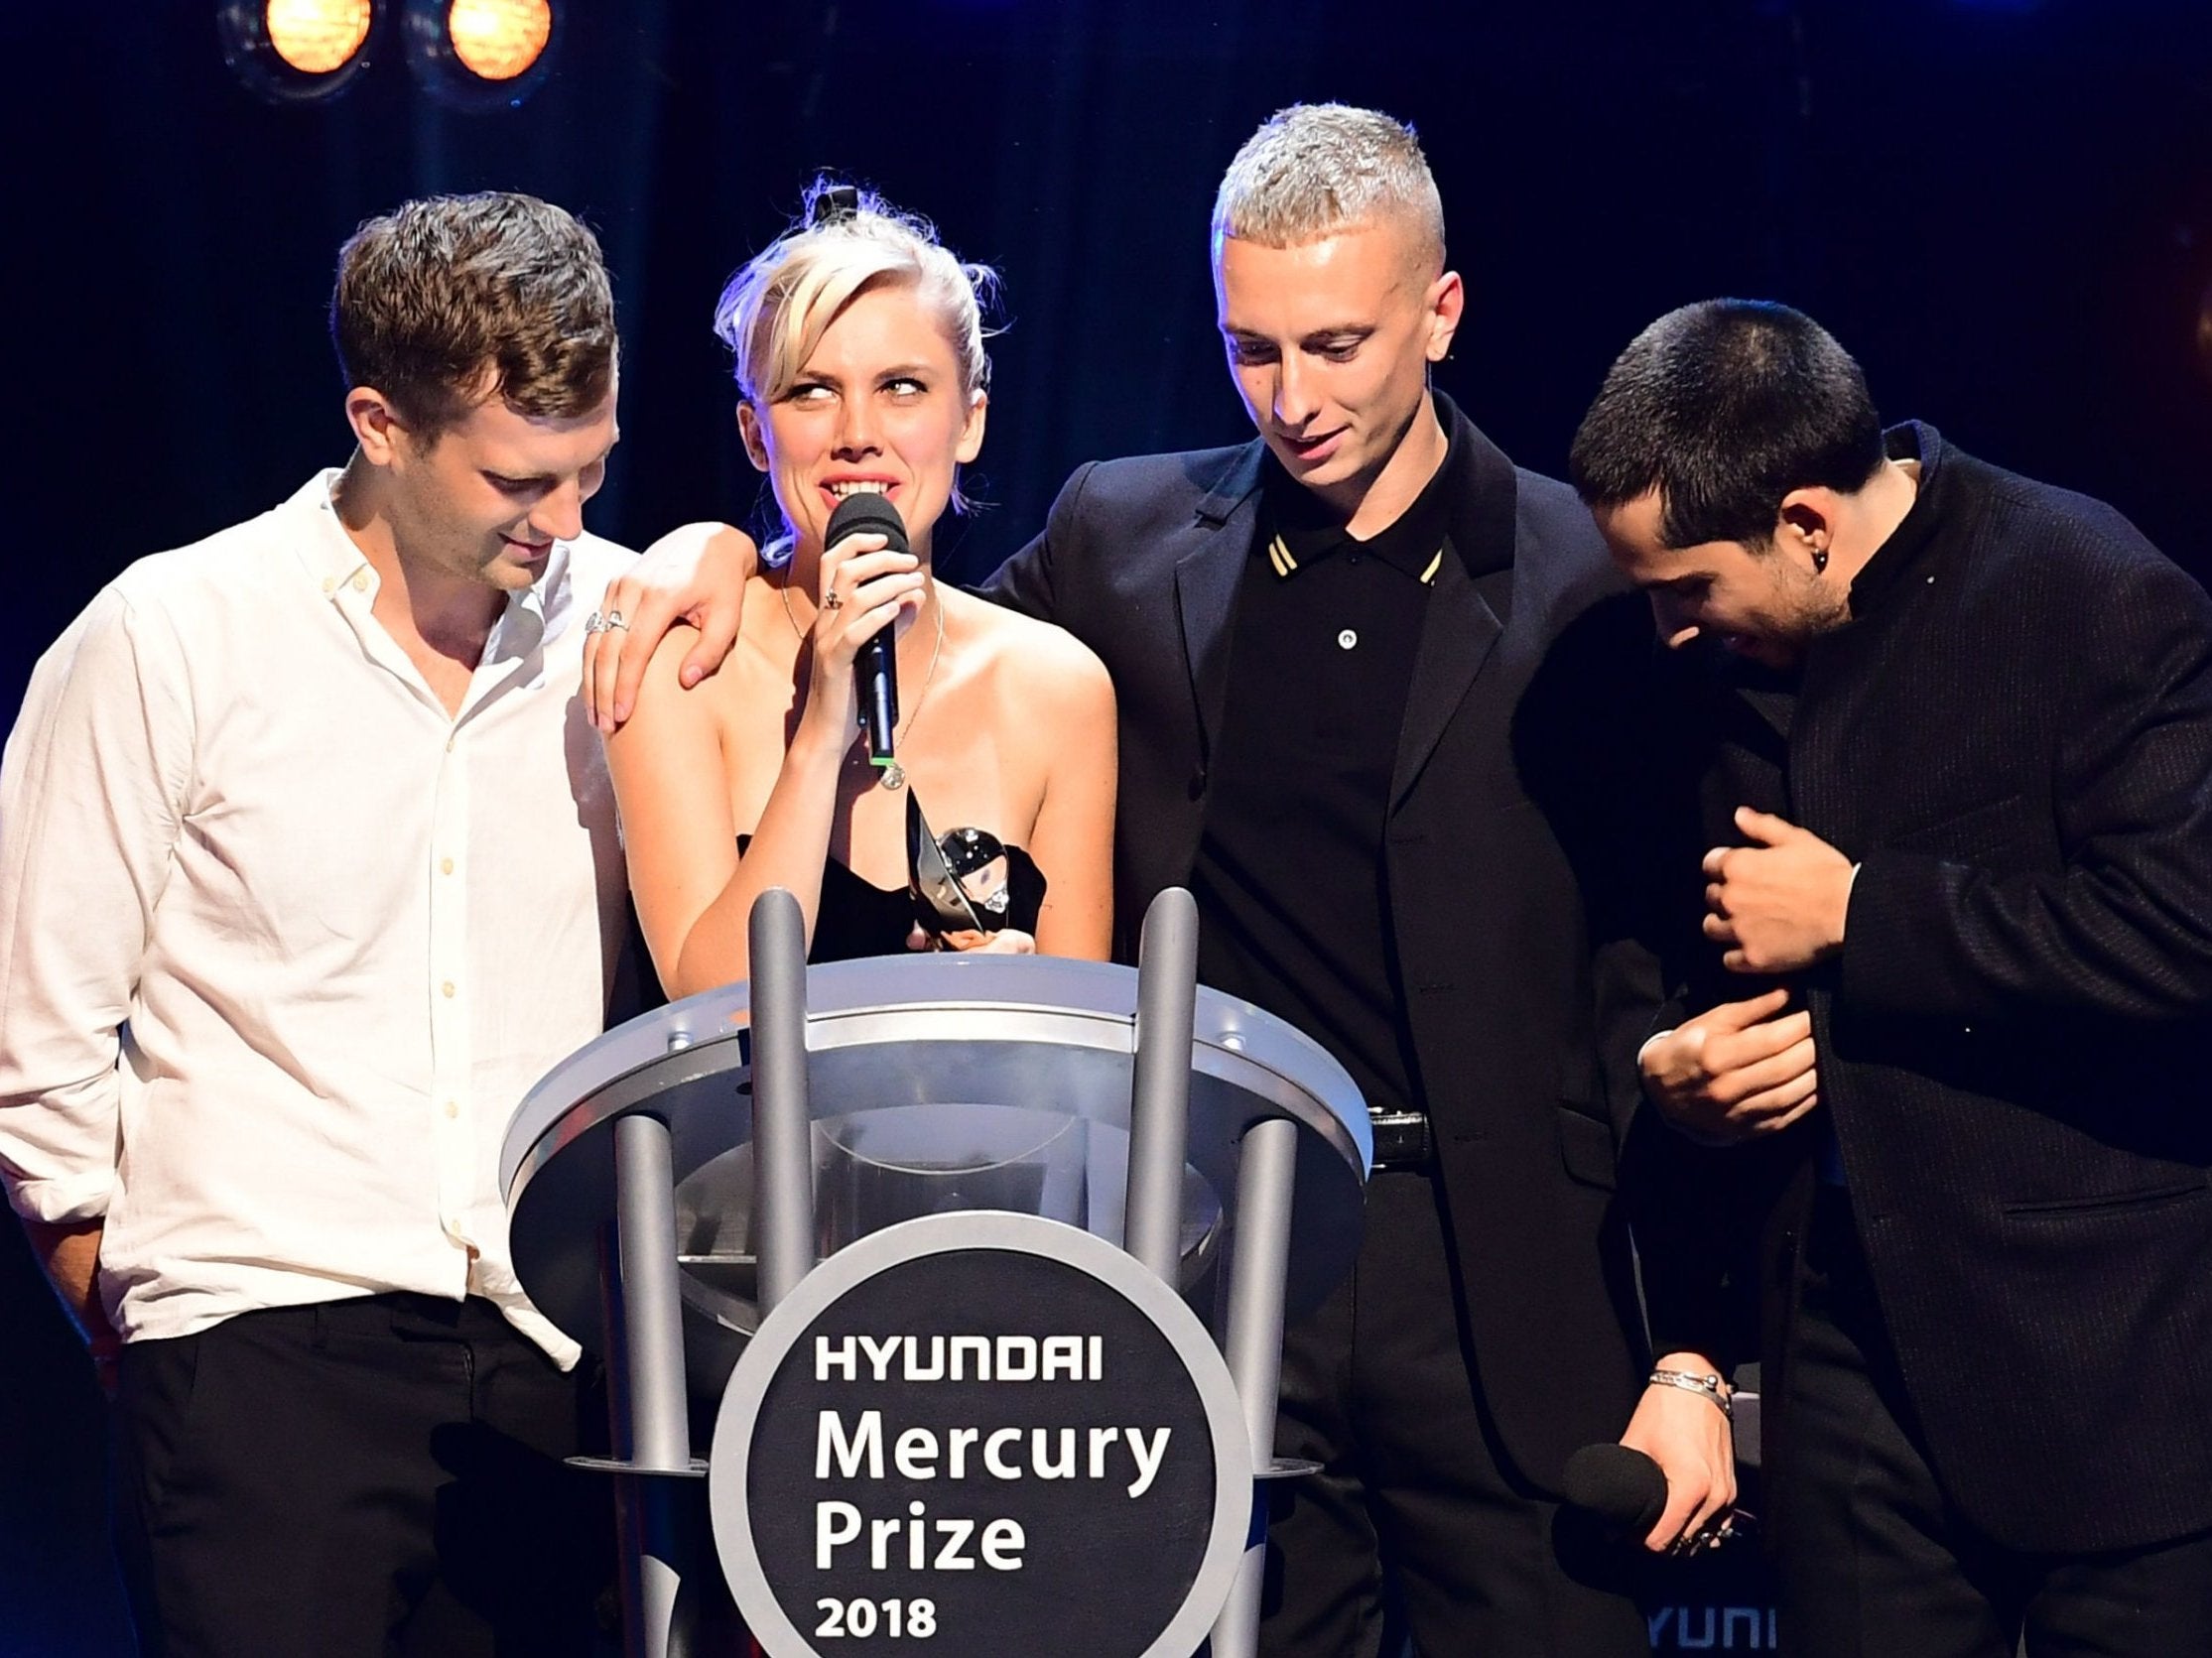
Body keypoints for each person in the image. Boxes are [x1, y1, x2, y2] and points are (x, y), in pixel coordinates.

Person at [591, 107, 1733, 1656]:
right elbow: (895, 622)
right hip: (1225, 1251)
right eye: (1252, 349)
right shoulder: (1127, 542)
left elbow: (1682, 971)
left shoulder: (1582, 577)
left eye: (1335, 344)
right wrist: (709, 551)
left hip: (1508, 1280)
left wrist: (1702, 1361)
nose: (1295, 397)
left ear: (1441, 312)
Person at [0, 191, 632, 1656]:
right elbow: (35, 1035)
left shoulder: (628, 617)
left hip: (554, 1351)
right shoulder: (173, 633)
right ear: (380, 423)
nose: (565, 521)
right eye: (519, 481)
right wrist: (143, 1308)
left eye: (589, 471)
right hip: (262, 1349)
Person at [1572, 298, 2212, 1657]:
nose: (1672, 630)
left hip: (2108, 1362)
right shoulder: (1703, 669)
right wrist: (1676, 1068)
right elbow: (1644, 948)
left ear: (1805, 520)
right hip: (1849, 1352)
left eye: (1690, 586)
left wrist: (1866, 916)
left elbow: (2187, 925)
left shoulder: (2088, 590)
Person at [605, 184, 1115, 992]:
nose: (857, 435)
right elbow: (713, 1007)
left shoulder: (1059, 689)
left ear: (970, 420)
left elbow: (1085, 1060)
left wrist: (1011, 1003)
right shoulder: (684, 667)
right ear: (755, 436)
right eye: (811, 390)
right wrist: (821, 727)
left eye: (902, 387)